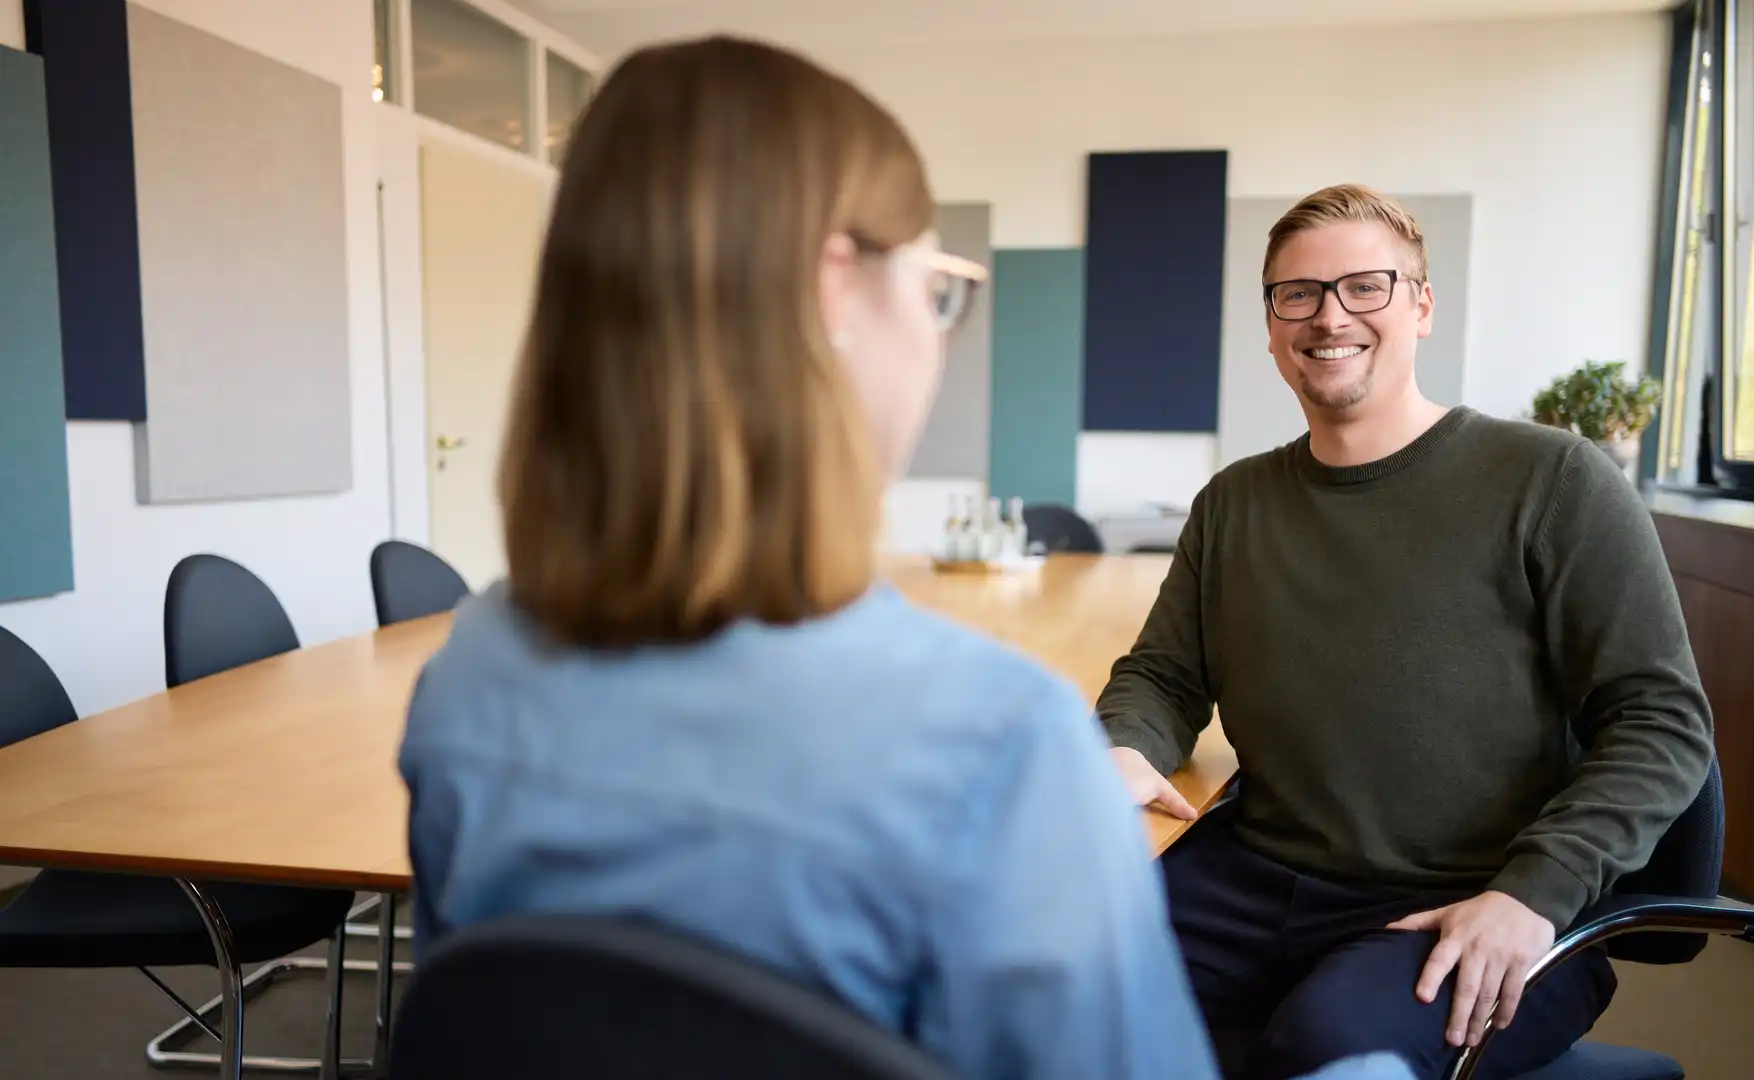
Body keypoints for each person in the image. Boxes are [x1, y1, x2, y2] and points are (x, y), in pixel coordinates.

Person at [398, 35, 1420, 1080]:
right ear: (835, 292)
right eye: (937, 289)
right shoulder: (997, 748)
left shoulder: (469, 679)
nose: (939, 337)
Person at [1098, 184, 1714, 1080]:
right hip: (1256, 872)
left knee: (1324, 1052)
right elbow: (1163, 674)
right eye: (1297, 294)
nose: (1328, 314)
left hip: (1469, 899)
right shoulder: (1234, 502)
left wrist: (1532, 894)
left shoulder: (1552, 480)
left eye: (1365, 287)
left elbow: (1661, 721)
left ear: (1422, 306)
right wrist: (1122, 745)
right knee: (1037, 988)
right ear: (1271, 326)